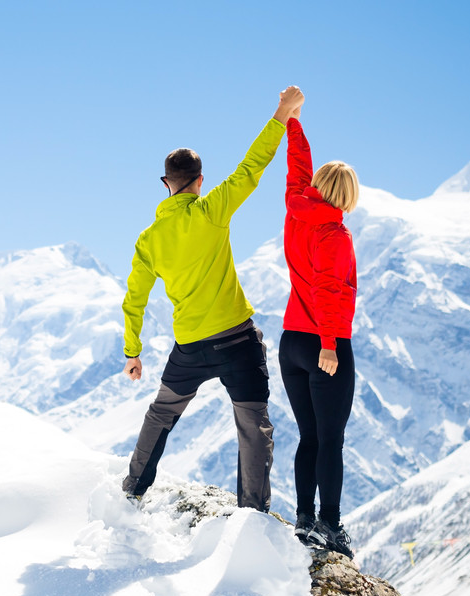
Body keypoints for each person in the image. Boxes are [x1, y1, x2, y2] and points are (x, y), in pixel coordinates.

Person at [120, 85, 306, 512]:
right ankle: (252, 516)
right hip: (237, 342)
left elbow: (135, 299)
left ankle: (132, 488)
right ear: (200, 182)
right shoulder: (212, 210)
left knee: (161, 413)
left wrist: (133, 351)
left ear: (166, 183)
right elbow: (251, 167)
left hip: (190, 348)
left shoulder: (149, 240)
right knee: (252, 426)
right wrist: (281, 114)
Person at [279, 104, 360, 558]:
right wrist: (329, 344)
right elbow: (331, 289)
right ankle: (329, 526)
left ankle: (305, 519)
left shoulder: (296, 209)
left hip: (291, 341)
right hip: (323, 343)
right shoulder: (335, 234)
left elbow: (297, 167)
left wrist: (294, 121)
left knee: (309, 436)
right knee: (331, 439)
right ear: (346, 194)